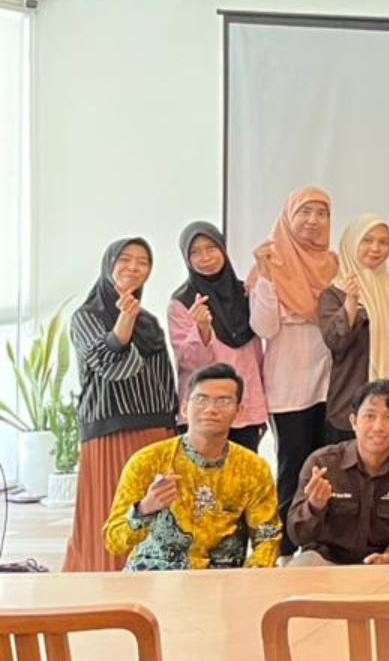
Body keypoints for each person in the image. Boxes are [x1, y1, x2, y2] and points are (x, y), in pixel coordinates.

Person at [66, 237, 179, 572]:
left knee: (157, 515)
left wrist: (172, 424)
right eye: (125, 259)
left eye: (143, 262)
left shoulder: (149, 321)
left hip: (156, 429)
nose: (133, 267)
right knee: (111, 512)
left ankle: (149, 582)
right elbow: (110, 366)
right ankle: (102, 582)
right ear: (109, 265)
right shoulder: (86, 317)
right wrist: (123, 321)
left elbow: (163, 376)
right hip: (111, 430)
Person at [102, 364, 280, 570]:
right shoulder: (148, 461)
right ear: (185, 408)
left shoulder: (253, 469)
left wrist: (252, 575)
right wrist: (144, 509)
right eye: (201, 399)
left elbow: (268, 536)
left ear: (239, 412)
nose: (211, 409)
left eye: (223, 401)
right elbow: (113, 540)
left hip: (220, 579)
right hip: (155, 576)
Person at [248, 186, 340, 553]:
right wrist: (267, 278)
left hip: (329, 383)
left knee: (329, 468)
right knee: (293, 469)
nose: (313, 221)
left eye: (322, 213)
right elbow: (264, 327)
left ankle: (322, 545)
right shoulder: (271, 262)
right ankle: (284, 549)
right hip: (288, 385)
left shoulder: (334, 264)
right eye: (305, 212)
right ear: (288, 216)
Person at [286, 379, 389, 565]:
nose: (378, 427)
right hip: (328, 563)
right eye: (370, 416)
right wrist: (314, 507)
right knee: (302, 565)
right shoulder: (322, 463)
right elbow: (297, 536)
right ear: (354, 421)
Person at [167, 222, 268, 453]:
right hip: (204, 413)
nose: (205, 257)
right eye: (195, 252)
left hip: (245, 408)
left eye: (211, 248)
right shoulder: (182, 303)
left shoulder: (245, 292)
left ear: (223, 249)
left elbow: (258, 352)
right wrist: (202, 328)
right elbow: (191, 365)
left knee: (242, 473)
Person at [317, 215, 389, 441]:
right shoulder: (334, 293)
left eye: (384, 242)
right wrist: (350, 304)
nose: (376, 248)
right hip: (349, 401)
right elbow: (335, 341)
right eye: (367, 240)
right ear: (352, 242)